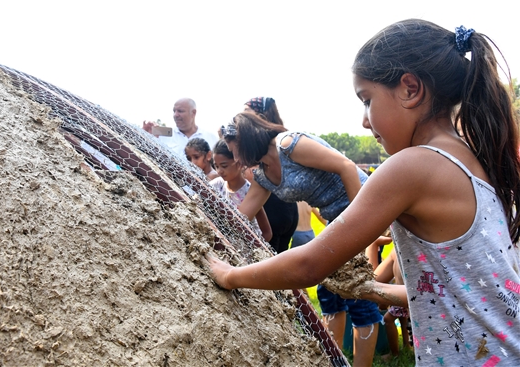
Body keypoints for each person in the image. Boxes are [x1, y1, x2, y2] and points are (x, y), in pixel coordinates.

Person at [208, 19, 520, 365]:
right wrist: (375, 290)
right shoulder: (470, 158)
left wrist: (230, 275)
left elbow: (310, 264)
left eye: (366, 100)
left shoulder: (412, 166)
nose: (364, 121)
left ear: (410, 89)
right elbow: (463, 288)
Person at [217, 112, 383, 366]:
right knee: (335, 289)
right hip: (336, 221)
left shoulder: (288, 145)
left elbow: (347, 167)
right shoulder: (262, 175)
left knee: (358, 292)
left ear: (247, 140)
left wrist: (362, 223)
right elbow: (241, 216)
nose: (236, 159)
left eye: (235, 151)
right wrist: (208, 221)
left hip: (363, 206)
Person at [242, 97, 300, 254]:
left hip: (272, 208)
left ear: (260, 116)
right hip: (289, 209)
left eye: (247, 112)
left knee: (268, 256)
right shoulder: (281, 140)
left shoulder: (270, 146)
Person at [210, 140, 272, 242]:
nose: (219, 171)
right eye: (216, 166)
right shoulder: (217, 185)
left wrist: (255, 250)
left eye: (224, 166)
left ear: (239, 163)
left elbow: (267, 232)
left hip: (245, 246)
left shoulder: (249, 192)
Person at [143, 98, 218, 159]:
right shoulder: (162, 136)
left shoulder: (211, 138)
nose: (175, 115)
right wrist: (144, 135)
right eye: (174, 111)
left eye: (180, 111)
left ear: (193, 113)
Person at [374, 247, 411, 360]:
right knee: (404, 319)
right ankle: (407, 346)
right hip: (406, 296)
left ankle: (394, 354)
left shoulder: (398, 250)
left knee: (388, 319)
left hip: (403, 297)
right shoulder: (398, 250)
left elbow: (375, 279)